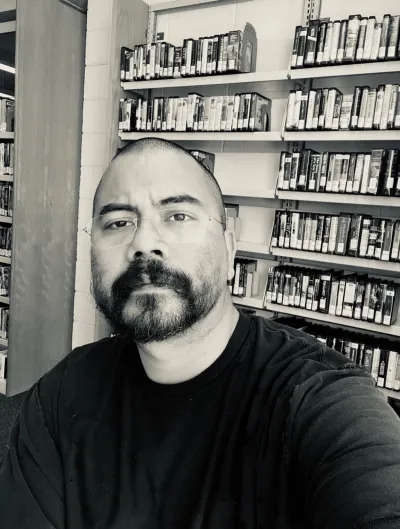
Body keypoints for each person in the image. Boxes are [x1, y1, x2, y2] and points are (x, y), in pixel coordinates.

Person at [1, 138, 400, 529]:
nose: (143, 243)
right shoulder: (63, 391)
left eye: (177, 215)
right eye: (118, 222)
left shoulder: (318, 397)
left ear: (229, 252)